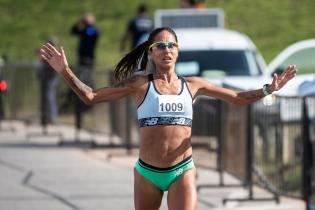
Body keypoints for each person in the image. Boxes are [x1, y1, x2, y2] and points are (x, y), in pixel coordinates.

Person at [40, 27, 297, 210]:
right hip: (147, 173)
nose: (166, 50)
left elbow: (237, 98)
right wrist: (65, 72)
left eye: (171, 45)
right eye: (160, 46)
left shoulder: (193, 85)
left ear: (178, 51)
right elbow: (92, 97)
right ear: (151, 54)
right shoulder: (140, 84)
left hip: (181, 170)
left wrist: (268, 89)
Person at [36, 37, 59, 125]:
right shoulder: (47, 53)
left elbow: (52, 66)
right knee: (47, 97)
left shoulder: (54, 54)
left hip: (51, 78)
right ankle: (46, 117)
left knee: (50, 97)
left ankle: (52, 117)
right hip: (46, 78)